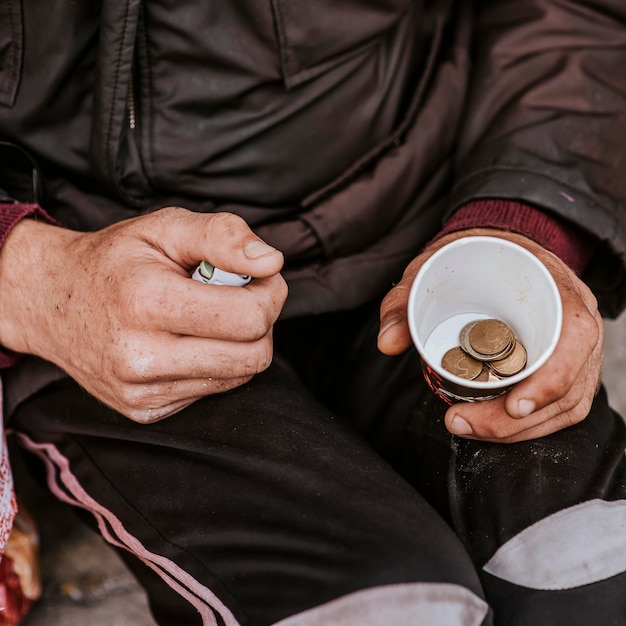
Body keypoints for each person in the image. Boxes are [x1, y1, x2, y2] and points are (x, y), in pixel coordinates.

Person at [0, 1, 625, 624]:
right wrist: (27, 278)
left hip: (418, 230)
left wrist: (525, 221)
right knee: (386, 611)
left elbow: (578, 13)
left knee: (588, 565)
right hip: (87, 276)